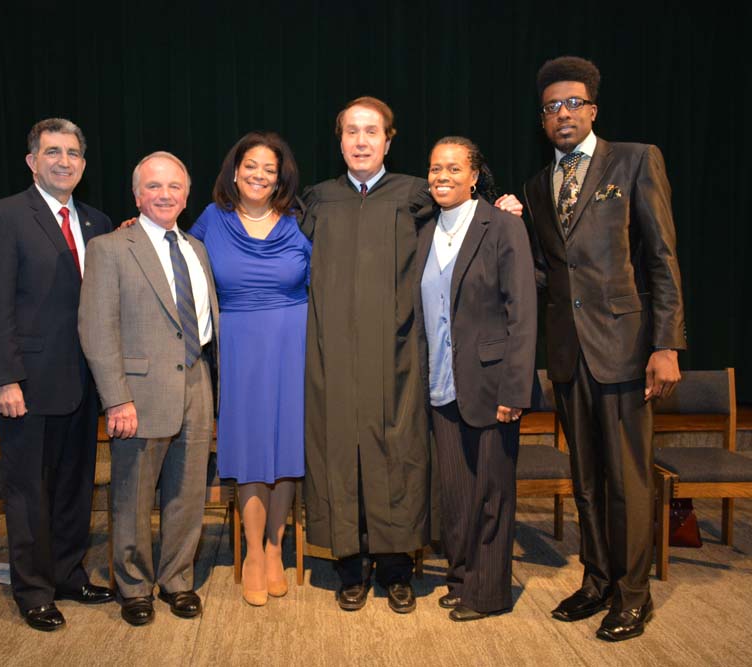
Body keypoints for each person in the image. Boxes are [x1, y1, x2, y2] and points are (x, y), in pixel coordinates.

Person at [302, 96, 523, 614]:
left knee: (398, 456)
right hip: (333, 357)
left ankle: (398, 568)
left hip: (399, 355)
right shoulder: (317, 200)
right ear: (340, 140)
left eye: (371, 131)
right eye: (351, 132)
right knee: (343, 457)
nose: (360, 141)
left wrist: (505, 206)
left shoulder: (415, 195)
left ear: (388, 140)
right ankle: (349, 568)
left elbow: (468, 214)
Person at [521, 56, 685, 642]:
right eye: (550, 108)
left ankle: (633, 594)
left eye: (572, 104)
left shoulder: (635, 160)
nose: (561, 114)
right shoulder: (538, 186)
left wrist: (666, 344)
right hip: (568, 354)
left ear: (592, 109)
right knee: (586, 477)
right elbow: (544, 273)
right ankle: (596, 580)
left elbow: (662, 257)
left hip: (624, 347)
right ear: (541, 120)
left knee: (628, 478)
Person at [0, 118, 114, 632]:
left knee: (75, 485)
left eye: (74, 153)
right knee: (29, 490)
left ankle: (68, 574)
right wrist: (4, 379)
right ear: (32, 160)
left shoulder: (97, 221)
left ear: (84, 164)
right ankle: (32, 589)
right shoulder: (3, 217)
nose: (64, 161)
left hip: (83, 382)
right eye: (53, 151)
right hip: (26, 385)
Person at [78, 152, 219, 626]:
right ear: (137, 195)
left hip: (197, 383)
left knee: (187, 491)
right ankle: (134, 585)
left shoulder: (196, 248)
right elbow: (97, 329)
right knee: (133, 495)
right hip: (138, 394)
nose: (165, 194)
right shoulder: (111, 248)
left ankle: (178, 579)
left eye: (174, 186)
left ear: (186, 194)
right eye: (154, 187)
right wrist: (116, 397)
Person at [414, 137, 536, 622]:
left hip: (491, 384)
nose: (441, 176)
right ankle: (462, 578)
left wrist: (515, 389)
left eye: (452, 168)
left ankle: (488, 594)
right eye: (434, 168)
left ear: (473, 176)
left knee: (492, 494)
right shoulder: (423, 230)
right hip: (441, 383)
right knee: (457, 496)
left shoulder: (503, 226)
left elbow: (523, 313)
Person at [187, 132, 310, 606]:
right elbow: (173, 259)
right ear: (234, 171)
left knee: (286, 450)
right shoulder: (211, 221)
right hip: (239, 347)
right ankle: (253, 551)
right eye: (251, 166)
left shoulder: (300, 221)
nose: (259, 175)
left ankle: (277, 547)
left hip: (293, 344)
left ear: (281, 178)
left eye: (269, 170)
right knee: (251, 450)